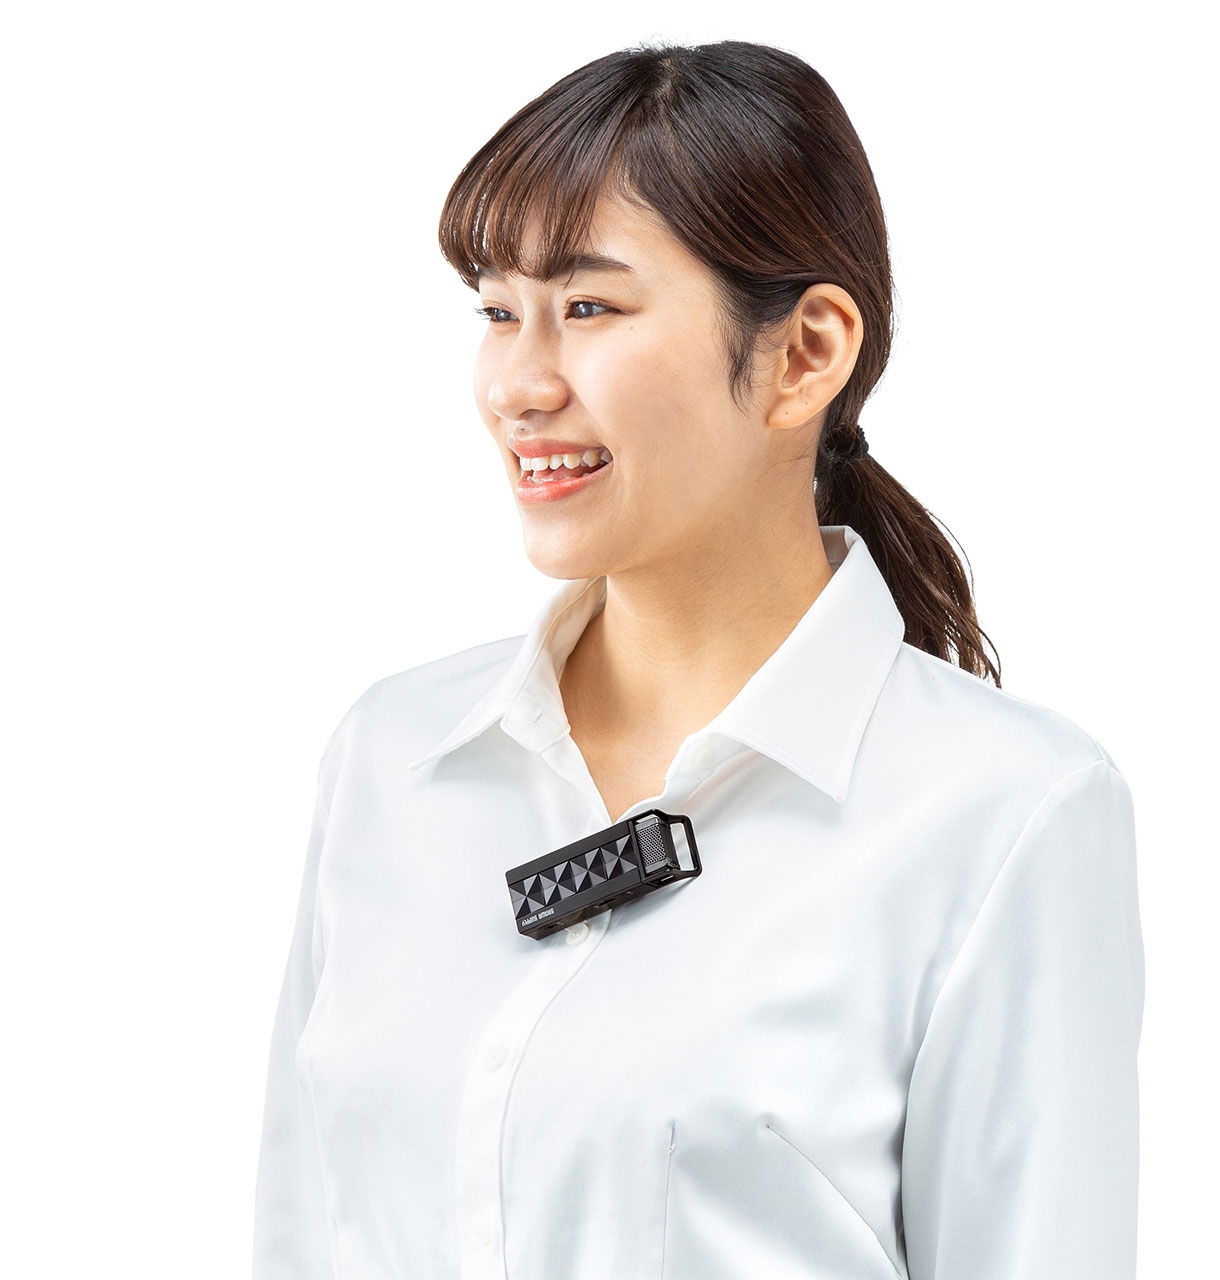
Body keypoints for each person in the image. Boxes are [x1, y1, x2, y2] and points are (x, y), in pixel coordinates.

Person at [251, 39, 1144, 1280]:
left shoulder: (1004, 811)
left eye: (588, 308)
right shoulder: (390, 758)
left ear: (804, 352)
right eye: (498, 312)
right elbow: (300, 1232)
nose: (517, 385)